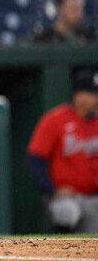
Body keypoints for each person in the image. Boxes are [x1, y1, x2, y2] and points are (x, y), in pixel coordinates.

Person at [27, 69, 98, 233]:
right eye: (94, 94)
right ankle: (60, 246)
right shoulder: (56, 119)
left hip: (94, 197)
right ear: (79, 96)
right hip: (66, 198)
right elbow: (35, 159)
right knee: (67, 213)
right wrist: (52, 190)